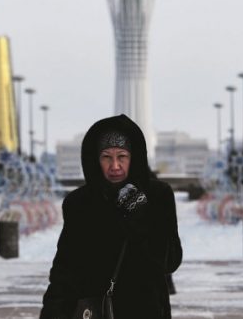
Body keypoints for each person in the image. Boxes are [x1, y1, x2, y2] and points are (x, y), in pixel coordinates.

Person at [40, 114, 182, 319]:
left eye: (122, 156)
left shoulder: (157, 196)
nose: (115, 165)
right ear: (96, 159)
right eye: (106, 157)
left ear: (134, 157)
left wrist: (138, 217)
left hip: (146, 310)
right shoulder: (79, 203)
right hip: (95, 311)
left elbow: (171, 260)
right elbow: (65, 271)